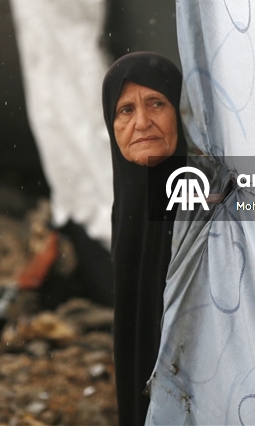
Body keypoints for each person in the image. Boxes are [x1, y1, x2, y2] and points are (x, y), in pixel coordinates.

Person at [102, 52, 186, 426]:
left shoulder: (204, 198)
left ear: (181, 113)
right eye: (125, 111)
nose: (142, 123)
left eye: (157, 104)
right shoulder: (126, 202)